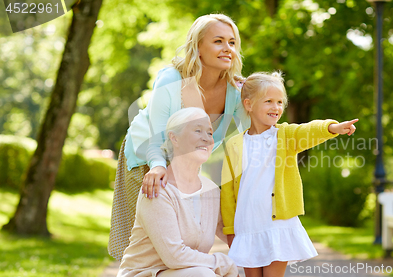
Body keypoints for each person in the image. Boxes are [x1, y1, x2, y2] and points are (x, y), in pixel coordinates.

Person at [109, 13, 250, 260]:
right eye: (218, 41)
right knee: (146, 246)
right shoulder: (171, 79)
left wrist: (255, 94)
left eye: (232, 42)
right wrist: (156, 167)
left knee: (180, 239)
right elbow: (156, 136)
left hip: (184, 165)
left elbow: (250, 134)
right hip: (147, 158)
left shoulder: (235, 92)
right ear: (197, 46)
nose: (227, 48)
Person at [220, 72, 358, 277]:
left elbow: (308, 130)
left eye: (279, 102)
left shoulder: (285, 136)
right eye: (268, 101)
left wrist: (333, 127)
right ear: (248, 105)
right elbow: (227, 191)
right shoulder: (233, 144)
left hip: (277, 225)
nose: (276, 107)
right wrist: (230, 229)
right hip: (247, 226)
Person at [118, 107, 238, 277]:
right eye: (197, 130)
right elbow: (175, 257)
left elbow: (231, 233)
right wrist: (223, 263)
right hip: (145, 273)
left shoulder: (211, 190)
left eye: (210, 133)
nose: (206, 138)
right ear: (174, 138)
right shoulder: (157, 189)